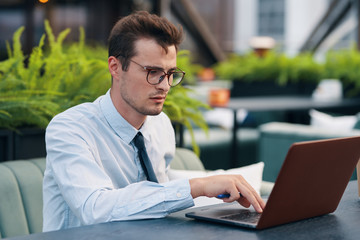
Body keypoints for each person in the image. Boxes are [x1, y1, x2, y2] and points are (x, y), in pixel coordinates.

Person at [42, 11, 265, 232]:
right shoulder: (70, 128)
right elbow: (95, 209)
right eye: (153, 72)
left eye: (170, 74)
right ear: (115, 67)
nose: (165, 86)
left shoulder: (160, 125)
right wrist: (197, 186)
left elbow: (156, 204)